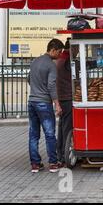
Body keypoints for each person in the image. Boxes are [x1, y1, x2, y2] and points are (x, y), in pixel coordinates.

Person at [27, 38, 64, 173]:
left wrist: (36, 90)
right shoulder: (51, 65)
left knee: (33, 134)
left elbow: (29, 79)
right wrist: (57, 104)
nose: (60, 55)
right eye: (59, 52)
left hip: (32, 102)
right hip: (43, 103)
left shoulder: (35, 61)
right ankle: (53, 163)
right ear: (52, 50)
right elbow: (51, 85)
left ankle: (35, 164)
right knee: (49, 134)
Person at [56, 38, 75, 167]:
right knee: (67, 127)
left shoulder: (60, 59)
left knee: (62, 127)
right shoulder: (68, 60)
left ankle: (60, 154)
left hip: (61, 97)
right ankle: (64, 155)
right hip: (67, 97)